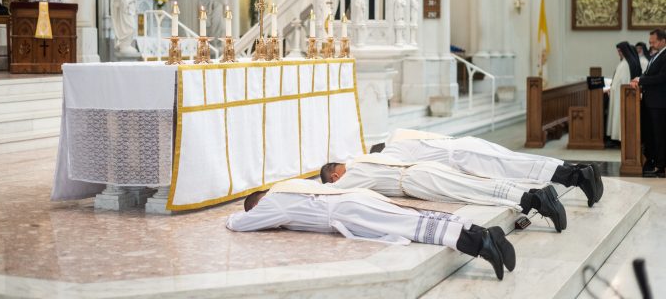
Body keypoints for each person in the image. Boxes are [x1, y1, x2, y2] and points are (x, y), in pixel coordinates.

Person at [227, 179, 516, 280]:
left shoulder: (273, 201)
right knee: (415, 216)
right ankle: (483, 233)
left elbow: (240, 224)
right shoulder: (293, 185)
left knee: (412, 225)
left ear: (260, 202)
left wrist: (229, 218)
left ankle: (479, 246)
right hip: (356, 200)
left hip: (348, 211)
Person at [321, 154, 568, 233]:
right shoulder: (363, 158)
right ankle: (536, 197)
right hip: (423, 168)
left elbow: (329, 192)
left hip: (416, 181)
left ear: (335, 176)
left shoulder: (350, 176)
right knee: (476, 184)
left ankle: (537, 200)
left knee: (474, 191)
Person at [374, 136, 602, 207]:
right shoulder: (401, 140)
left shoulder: (392, 152)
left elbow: (388, 170)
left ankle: (577, 176)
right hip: (466, 148)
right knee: (518, 162)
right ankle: (578, 171)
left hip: (464, 157)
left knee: (516, 166)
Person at [630, 28, 666, 177]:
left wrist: (641, 80)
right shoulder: (656, 55)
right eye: (650, 42)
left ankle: (661, 165)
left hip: (660, 103)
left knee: (660, 135)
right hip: (652, 102)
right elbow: (648, 73)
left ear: (663, 40)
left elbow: (662, 77)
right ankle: (655, 161)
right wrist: (639, 79)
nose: (651, 44)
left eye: (654, 41)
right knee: (652, 134)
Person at [606, 42, 642, 144]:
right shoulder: (624, 63)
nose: (618, 53)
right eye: (617, 51)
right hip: (618, 94)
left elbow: (623, 82)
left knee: (619, 117)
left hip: (620, 96)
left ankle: (619, 139)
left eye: (620, 51)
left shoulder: (625, 65)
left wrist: (612, 88)